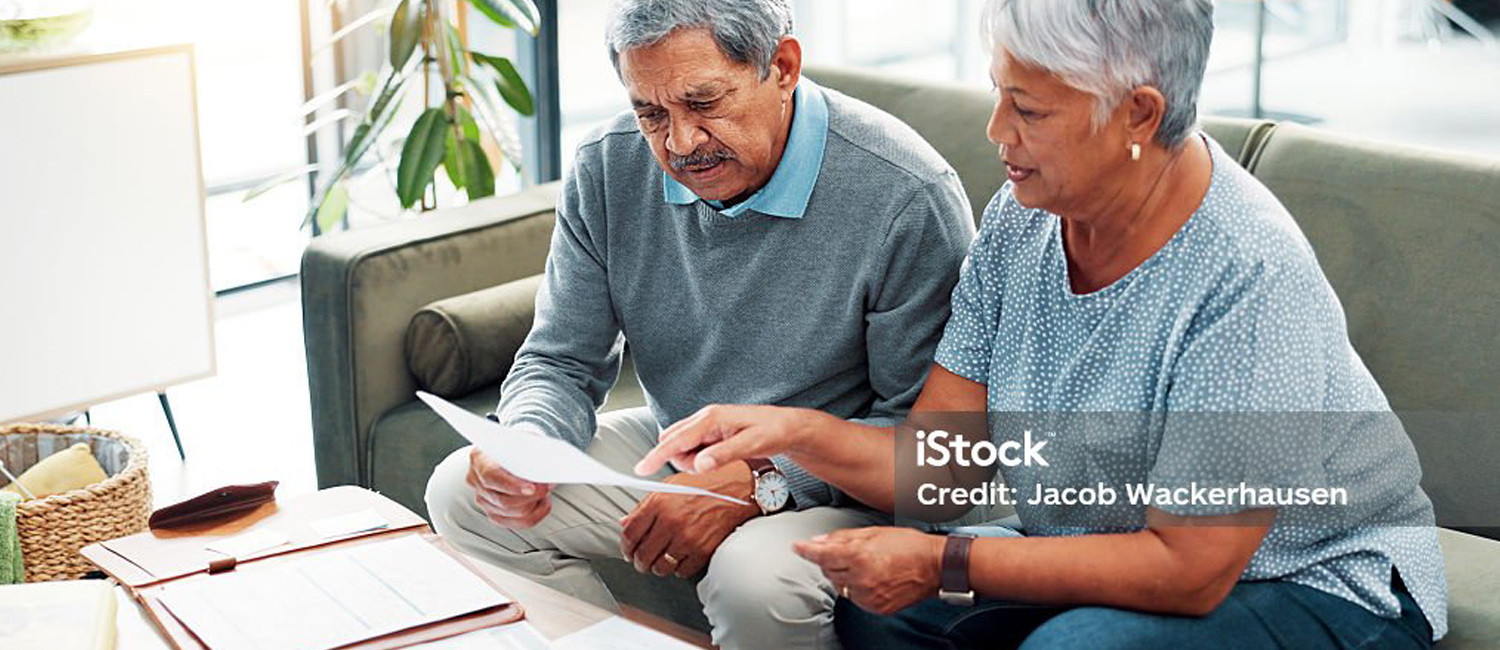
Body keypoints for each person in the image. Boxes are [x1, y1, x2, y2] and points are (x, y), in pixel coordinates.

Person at [633, 0, 1449, 647]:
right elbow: (940, 470)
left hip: (1314, 580)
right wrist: (791, 434)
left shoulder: (1245, 275)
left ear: (1137, 113)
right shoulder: (1023, 223)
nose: (996, 133)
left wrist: (947, 559)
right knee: (876, 615)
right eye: (998, 94)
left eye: (1027, 110)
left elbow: (1193, 568)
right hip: (1110, 542)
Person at [423, 1, 975, 648]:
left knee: (754, 579)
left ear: (784, 67)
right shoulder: (608, 166)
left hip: (846, 485)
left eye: (705, 103)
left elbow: (928, 449)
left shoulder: (904, 195)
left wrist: (768, 479)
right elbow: (560, 359)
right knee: (465, 493)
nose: (680, 143)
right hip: (683, 446)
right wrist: (525, 444)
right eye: (650, 113)